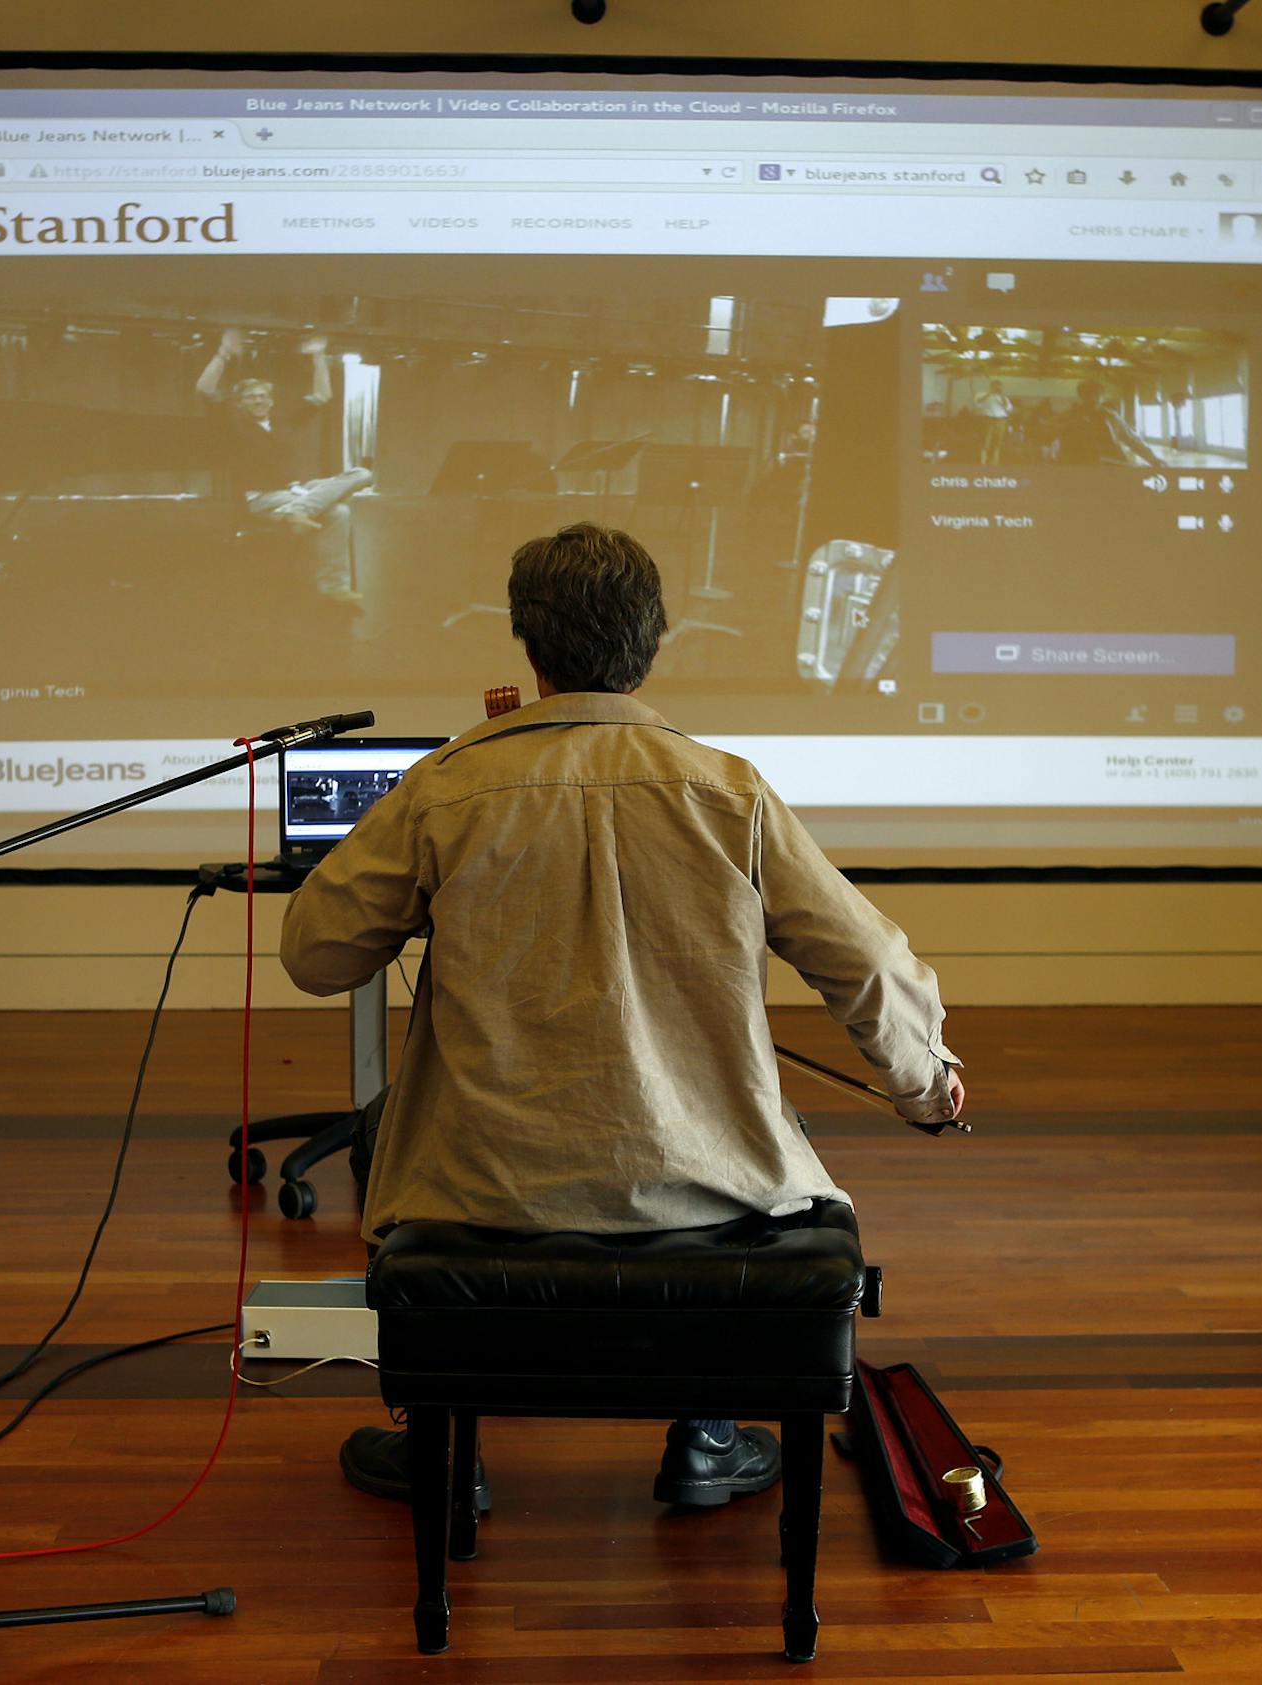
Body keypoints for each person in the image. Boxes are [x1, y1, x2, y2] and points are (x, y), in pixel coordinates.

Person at [279, 522, 964, 1512]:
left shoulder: (449, 785)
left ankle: (446, 1437)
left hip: (484, 1189)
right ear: (654, 644)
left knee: (388, 1127)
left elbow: (315, 954)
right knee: (768, 1134)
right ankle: (707, 1433)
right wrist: (925, 1086)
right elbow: (867, 963)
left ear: (529, 646)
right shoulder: (728, 792)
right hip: (702, 1191)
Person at [194, 327, 372, 600]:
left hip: (297, 490)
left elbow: (322, 396)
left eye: (262, 396)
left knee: (362, 474)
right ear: (240, 403)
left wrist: (319, 358)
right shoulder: (232, 423)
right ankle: (332, 582)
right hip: (261, 497)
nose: (258, 400)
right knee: (338, 512)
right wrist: (224, 353)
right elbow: (204, 389)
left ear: (271, 401)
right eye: (251, 397)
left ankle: (301, 517)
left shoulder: (282, 421)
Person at [1053, 379, 1166, 468]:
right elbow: (1052, 438)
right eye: (1088, 395)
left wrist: (1153, 459)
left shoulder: (1111, 417)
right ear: (1081, 396)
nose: (1093, 398)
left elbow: (1132, 440)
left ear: (1103, 396)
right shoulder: (1068, 416)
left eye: (1097, 394)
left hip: (1109, 466)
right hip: (1077, 467)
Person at [976, 380, 1013, 465]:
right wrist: (990, 393)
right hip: (988, 419)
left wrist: (1001, 395)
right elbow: (978, 402)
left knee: (998, 442)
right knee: (986, 441)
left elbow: (1008, 408)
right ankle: (983, 462)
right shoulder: (982, 395)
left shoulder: (1004, 397)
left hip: (1001, 420)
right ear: (991, 386)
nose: (997, 388)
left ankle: (995, 462)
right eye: (995, 386)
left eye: (999, 386)